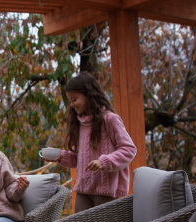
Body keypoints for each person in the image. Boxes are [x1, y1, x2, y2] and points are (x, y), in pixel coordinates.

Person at [45, 72, 137, 213]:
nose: (72, 105)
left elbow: (129, 149)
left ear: (88, 95)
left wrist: (103, 162)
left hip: (106, 192)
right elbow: (79, 159)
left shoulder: (110, 120)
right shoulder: (81, 124)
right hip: (83, 191)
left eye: (74, 99)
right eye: (70, 100)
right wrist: (59, 156)